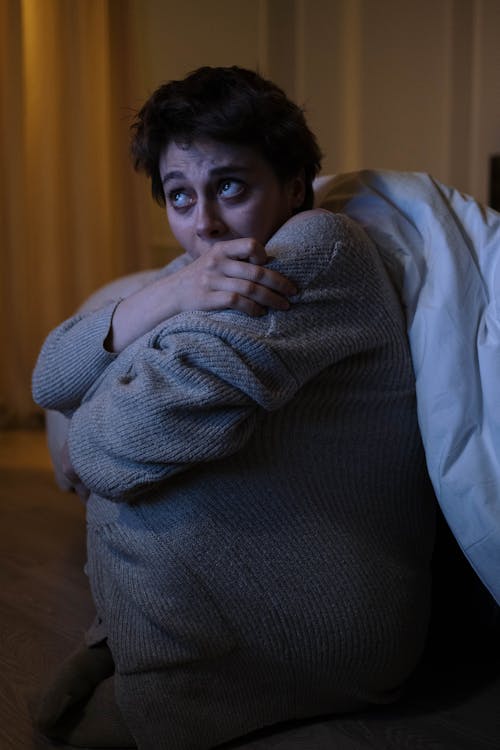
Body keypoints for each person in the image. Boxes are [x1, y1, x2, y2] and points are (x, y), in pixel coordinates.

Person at [32, 66, 436, 750]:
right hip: (242, 596)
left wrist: (101, 405)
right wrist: (167, 296)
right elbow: (48, 379)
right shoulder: (200, 269)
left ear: (292, 183)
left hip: (319, 624)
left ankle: (166, 684)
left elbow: (112, 451)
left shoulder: (312, 249)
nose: (205, 224)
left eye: (229, 186)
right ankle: (123, 647)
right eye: (179, 197)